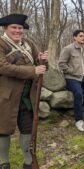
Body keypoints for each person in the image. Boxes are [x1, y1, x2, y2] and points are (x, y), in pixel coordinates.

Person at [0, 13, 48, 169]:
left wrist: (43, 60)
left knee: (27, 130)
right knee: (3, 130)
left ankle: (28, 163)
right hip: (6, 96)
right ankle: (3, 163)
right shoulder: (1, 43)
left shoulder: (29, 44)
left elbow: (39, 66)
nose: (17, 31)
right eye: (13, 27)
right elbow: (3, 67)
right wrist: (33, 70)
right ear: (5, 28)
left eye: (20, 28)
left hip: (28, 97)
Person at [58, 30, 84, 132]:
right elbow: (61, 63)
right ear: (74, 37)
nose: (83, 38)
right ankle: (79, 120)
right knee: (79, 93)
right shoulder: (68, 49)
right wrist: (72, 71)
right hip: (72, 78)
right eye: (80, 36)